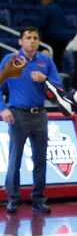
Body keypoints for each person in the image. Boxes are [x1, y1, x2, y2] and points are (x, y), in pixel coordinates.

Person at [0, 27, 61, 214]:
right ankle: (12, 199)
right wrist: (3, 109)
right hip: (18, 114)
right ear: (20, 42)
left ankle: (39, 199)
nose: (32, 41)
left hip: (40, 114)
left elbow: (58, 88)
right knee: (15, 158)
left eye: (35, 38)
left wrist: (45, 79)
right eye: (28, 38)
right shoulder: (10, 61)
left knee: (40, 159)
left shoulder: (46, 61)